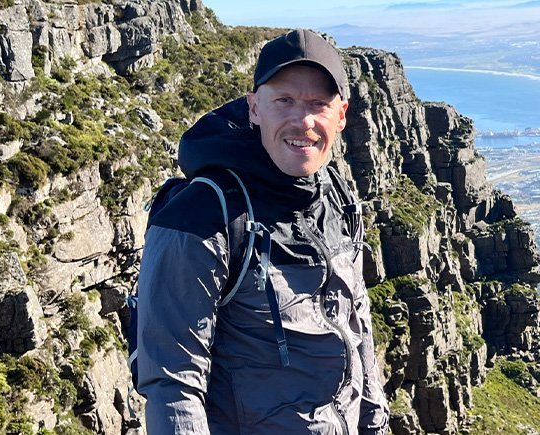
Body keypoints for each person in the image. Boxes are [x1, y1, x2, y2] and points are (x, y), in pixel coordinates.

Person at [135, 29, 390, 434]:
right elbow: (172, 384)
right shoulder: (203, 214)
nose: (302, 121)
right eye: (284, 101)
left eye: (318, 104)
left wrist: (376, 426)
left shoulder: (338, 200)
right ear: (254, 108)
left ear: (341, 115)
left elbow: (358, 328)